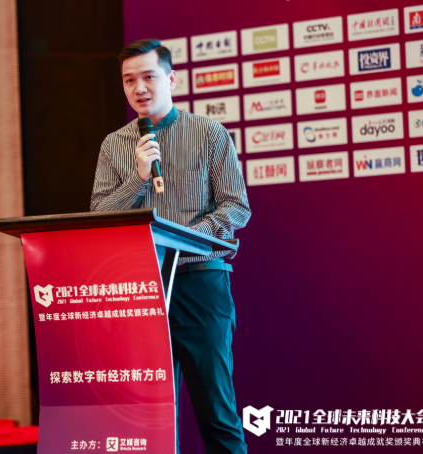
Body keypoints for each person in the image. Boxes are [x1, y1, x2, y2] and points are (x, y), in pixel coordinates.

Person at [90, 39, 251, 454]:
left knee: (217, 413)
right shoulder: (114, 145)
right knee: (151, 418)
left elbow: (236, 207)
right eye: (129, 80)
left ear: (172, 79)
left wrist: (184, 239)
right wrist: (138, 178)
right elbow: (99, 215)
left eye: (148, 76)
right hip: (141, 290)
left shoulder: (209, 133)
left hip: (199, 284)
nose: (139, 88)